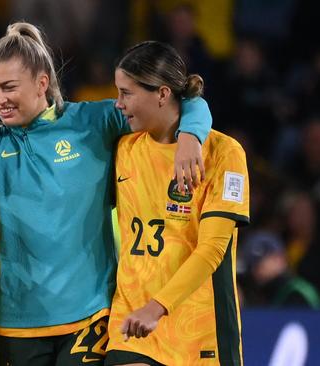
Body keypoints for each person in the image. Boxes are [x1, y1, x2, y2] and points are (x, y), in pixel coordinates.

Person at [0, 22, 212, 365]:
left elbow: (187, 101)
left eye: (8, 87)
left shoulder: (90, 123)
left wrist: (190, 137)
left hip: (90, 315)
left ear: (42, 83)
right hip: (17, 324)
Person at [105, 41, 249, 365]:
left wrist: (157, 307)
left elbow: (212, 250)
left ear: (162, 94)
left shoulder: (225, 154)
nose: (117, 103)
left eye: (126, 93)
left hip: (199, 331)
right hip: (131, 324)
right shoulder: (124, 150)